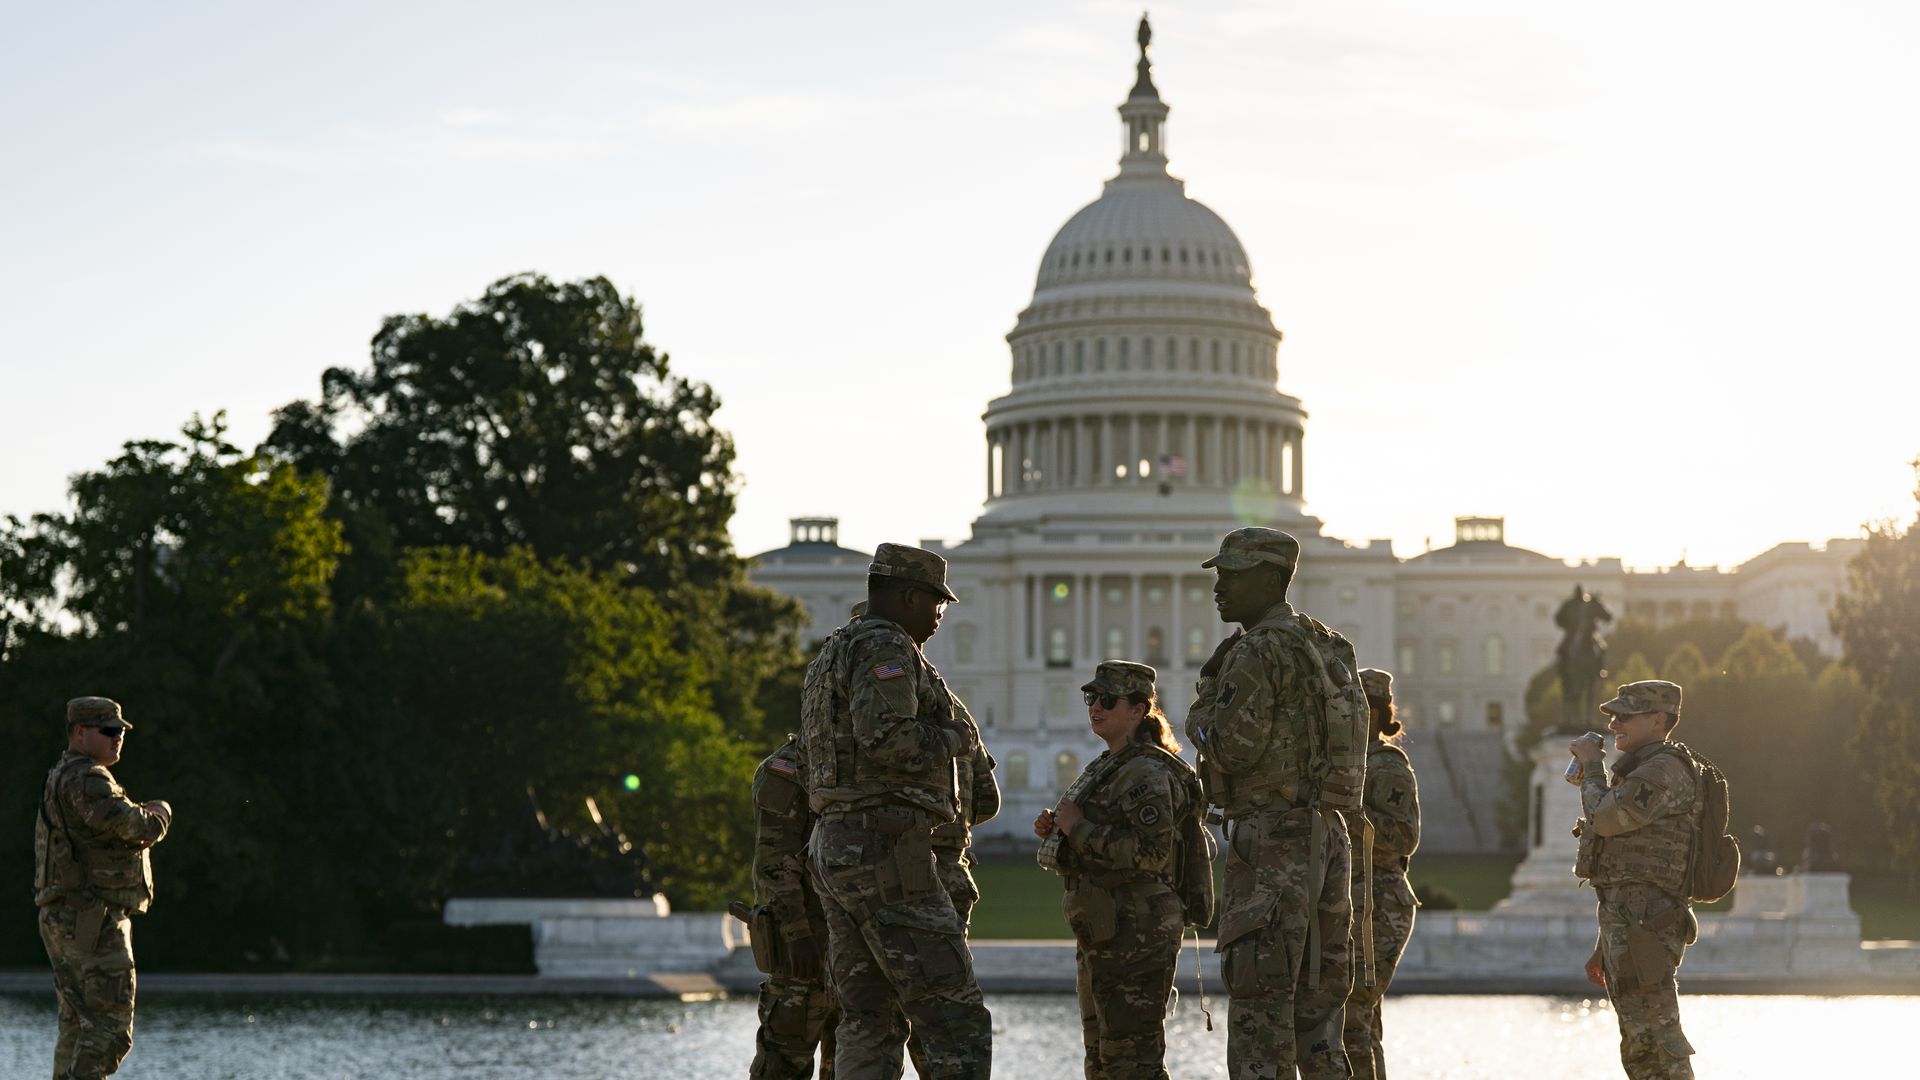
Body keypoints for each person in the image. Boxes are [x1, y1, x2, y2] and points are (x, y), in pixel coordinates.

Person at [799, 543, 992, 1079]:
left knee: (870, 1016)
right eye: (936, 604)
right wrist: (954, 738)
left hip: (838, 844)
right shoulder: (886, 645)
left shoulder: (832, 651)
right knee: (955, 1014)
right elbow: (888, 739)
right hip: (885, 847)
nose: (939, 616)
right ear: (909, 597)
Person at [1185, 528, 1353, 1079]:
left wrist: (1201, 710)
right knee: (1320, 1016)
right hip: (1327, 834)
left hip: (1272, 841)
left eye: (1232, 574)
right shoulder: (1326, 645)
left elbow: (1231, 748)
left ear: (1270, 579)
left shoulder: (1256, 649)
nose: (1219, 586)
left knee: (1262, 1012)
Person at [1033, 661, 1192, 1079]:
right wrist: (1060, 833)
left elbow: (1152, 852)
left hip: (1136, 931)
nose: (1095, 707)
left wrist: (1077, 827)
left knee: (1132, 1061)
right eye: (1091, 698)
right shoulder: (1110, 765)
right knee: (1102, 1058)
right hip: (1106, 929)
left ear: (1138, 710)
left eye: (1107, 700)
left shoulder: (1146, 771)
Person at [33, 696, 172, 1080]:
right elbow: (139, 827)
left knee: (77, 1026)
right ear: (80, 733)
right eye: (108, 731)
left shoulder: (62, 774)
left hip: (67, 915)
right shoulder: (87, 779)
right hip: (89, 919)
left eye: (120, 731)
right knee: (111, 1031)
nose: (117, 738)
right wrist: (161, 811)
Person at [1571, 679, 1701, 1079]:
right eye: (1613, 716)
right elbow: (1624, 872)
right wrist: (1604, 945)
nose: (1614, 725)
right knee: (1640, 1044)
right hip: (1630, 924)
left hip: (1647, 926)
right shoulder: (1642, 769)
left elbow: (1607, 819)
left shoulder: (1663, 771)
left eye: (1625, 716)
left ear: (1659, 719)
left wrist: (1592, 766)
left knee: (1658, 1046)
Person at [1341, 668, 1421, 1080]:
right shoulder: (1346, 765)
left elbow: (1403, 838)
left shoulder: (1386, 767)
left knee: (1352, 1017)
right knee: (1357, 1022)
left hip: (1379, 904)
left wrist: (1350, 808)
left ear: (1374, 714)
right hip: (1349, 902)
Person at [748, 732, 836, 1079]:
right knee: (784, 1060)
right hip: (803, 946)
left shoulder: (859, 763)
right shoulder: (787, 768)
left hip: (853, 943)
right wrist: (797, 933)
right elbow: (773, 862)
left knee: (850, 1061)